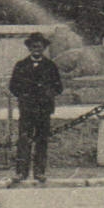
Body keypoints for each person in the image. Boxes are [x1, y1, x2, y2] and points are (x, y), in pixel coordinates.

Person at [8, 31, 64, 187]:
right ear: (29, 48)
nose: (37, 49)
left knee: (41, 140)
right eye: (33, 47)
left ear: (44, 48)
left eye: (40, 47)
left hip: (44, 110)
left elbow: (59, 87)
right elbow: (13, 86)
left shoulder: (50, 66)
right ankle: (21, 172)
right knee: (24, 140)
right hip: (27, 109)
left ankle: (40, 172)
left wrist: (48, 95)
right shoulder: (21, 65)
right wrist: (24, 96)